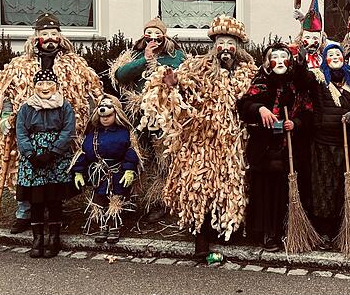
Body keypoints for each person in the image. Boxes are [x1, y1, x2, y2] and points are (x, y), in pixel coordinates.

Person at [138, 14, 256, 261]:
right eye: (221, 42)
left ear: (238, 47)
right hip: (199, 140)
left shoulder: (249, 71)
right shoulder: (198, 67)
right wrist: (173, 84)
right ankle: (201, 239)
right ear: (214, 45)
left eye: (231, 43)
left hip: (232, 141)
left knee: (228, 185)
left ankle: (224, 229)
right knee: (200, 186)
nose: (225, 48)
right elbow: (183, 85)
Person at [0, 12, 102, 234]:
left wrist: (94, 116)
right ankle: (24, 213)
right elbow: (7, 94)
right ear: (36, 37)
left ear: (61, 37)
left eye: (54, 33)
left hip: (61, 130)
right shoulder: (20, 65)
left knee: (59, 171)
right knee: (26, 171)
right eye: (45, 34)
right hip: (28, 130)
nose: (51, 38)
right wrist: (6, 116)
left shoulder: (75, 65)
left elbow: (92, 93)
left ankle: (56, 212)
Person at [238, 42, 313, 252]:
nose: (279, 61)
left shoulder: (297, 83)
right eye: (275, 57)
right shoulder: (261, 81)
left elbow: (308, 112)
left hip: (291, 148)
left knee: (288, 190)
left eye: (284, 57)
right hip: (265, 147)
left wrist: (295, 124)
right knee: (266, 191)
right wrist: (260, 108)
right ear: (268, 62)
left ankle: (289, 229)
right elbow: (244, 105)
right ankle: (267, 232)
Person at [110, 17, 186, 222]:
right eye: (149, 33)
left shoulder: (176, 55)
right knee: (137, 156)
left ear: (164, 35)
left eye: (157, 33)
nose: (153, 37)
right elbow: (120, 75)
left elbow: (186, 81)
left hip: (165, 117)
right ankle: (131, 198)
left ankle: (159, 202)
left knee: (163, 161)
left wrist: (174, 83)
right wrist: (145, 58)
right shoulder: (133, 54)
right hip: (137, 116)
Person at [295, 43, 350, 247]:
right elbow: (302, 81)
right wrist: (301, 61)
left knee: (346, 186)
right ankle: (324, 229)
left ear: (344, 58)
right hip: (323, 143)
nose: (335, 57)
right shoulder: (318, 77)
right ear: (325, 58)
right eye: (331, 54)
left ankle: (344, 227)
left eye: (338, 54)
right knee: (324, 186)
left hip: (349, 142)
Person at [15, 70, 76, 258]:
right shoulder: (26, 108)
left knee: (53, 198)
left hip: (55, 157)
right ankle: (38, 238)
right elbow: (21, 132)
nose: (44, 87)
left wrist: (54, 152)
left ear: (56, 86)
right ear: (34, 87)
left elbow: (68, 129)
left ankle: (54, 238)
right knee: (36, 199)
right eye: (40, 84)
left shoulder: (64, 106)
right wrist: (30, 154)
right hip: (32, 158)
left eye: (49, 83)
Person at [72, 94, 141, 244]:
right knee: (99, 200)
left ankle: (114, 227)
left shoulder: (124, 133)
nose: (105, 118)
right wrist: (78, 171)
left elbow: (130, 151)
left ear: (116, 113)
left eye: (109, 115)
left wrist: (129, 170)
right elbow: (84, 153)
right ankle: (102, 227)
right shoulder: (93, 134)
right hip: (99, 174)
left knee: (115, 200)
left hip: (117, 173)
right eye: (103, 115)